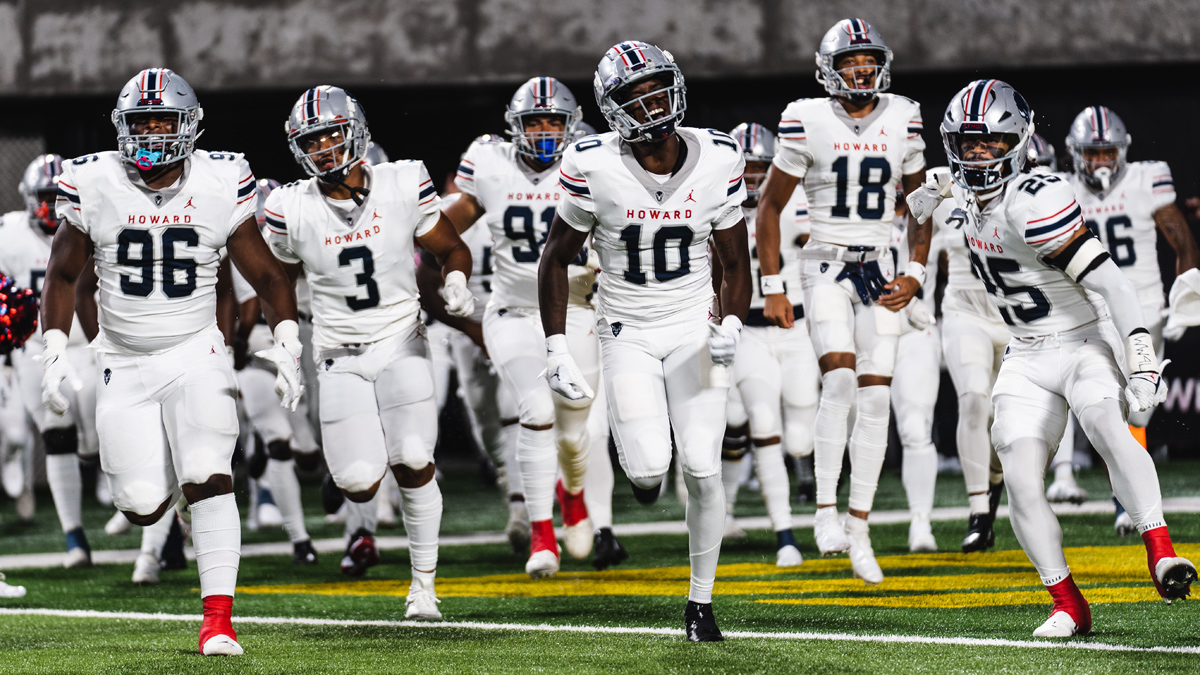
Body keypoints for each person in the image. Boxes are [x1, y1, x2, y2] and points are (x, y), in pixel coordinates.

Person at [908, 78, 1195, 637]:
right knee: (1018, 474)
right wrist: (924, 200)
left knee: (1109, 427)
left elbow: (1113, 283)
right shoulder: (957, 190)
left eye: (990, 142)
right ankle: (1067, 602)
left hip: (1083, 339)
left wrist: (1138, 353)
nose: (977, 154)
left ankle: (1160, 552)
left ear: (1018, 140)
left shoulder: (1034, 196)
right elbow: (923, 207)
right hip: (1025, 352)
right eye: (966, 143)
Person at [45, 68, 303, 655]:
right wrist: (56, 348)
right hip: (124, 358)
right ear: (122, 129)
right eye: (141, 122)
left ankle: (218, 621)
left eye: (163, 121)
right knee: (138, 505)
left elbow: (265, 274)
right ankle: (171, 496)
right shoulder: (94, 180)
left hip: (196, 349)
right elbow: (63, 275)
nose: (152, 134)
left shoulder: (220, 178)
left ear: (190, 127)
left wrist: (287, 339)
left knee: (211, 472)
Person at [538, 41, 751, 641]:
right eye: (634, 95)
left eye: (657, 88)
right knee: (652, 466)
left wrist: (730, 322)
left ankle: (701, 605)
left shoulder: (716, 157)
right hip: (626, 332)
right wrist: (555, 346)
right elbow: (556, 261)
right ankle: (642, 473)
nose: (651, 102)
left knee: (704, 465)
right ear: (612, 107)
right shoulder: (592, 165)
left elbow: (735, 261)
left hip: (691, 327)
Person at [264, 85, 474, 618]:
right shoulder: (291, 206)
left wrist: (455, 281)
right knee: (358, 484)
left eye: (333, 134)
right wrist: (286, 340)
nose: (325, 148)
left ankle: (423, 585)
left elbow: (451, 246)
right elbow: (275, 282)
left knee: (413, 456)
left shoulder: (402, 181)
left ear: (354, 131)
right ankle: (369, 453)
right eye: (313, 140)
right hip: (337, 352)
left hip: (401, 338)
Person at [754, 18, 930, 583]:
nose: (860, 70)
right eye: (849, 61)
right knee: (838, 380)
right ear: (829, 68)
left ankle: (859, 529)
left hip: (881, 263)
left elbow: (921, 208)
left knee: (876, 400)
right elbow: (768, 209)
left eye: (867, 59)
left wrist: (919, 273)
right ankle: (824, 512)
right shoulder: (805, 117)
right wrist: (773, 285)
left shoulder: (903, 114)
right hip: (825, 262)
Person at [443, 78, 607, 577]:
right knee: (534, 410)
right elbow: (442, 229)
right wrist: (450, 272)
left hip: (577, 310)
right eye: (533, 122)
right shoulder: (489, 163)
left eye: (552, 122)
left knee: (576, 431)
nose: (542, 131)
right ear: (514, 127)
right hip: (511, 311)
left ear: (570, 125)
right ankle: (541, 534)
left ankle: (573, 494)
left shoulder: (592, 160)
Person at [1053, 107, 1199, 532]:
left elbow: (1183, 243)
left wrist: (1184, 301)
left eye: (1108, 153)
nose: (1101, 162)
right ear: (1076, 155)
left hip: (1145, 312)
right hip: (1093, 315)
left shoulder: (1145, 179)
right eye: (1092, 154)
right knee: (1112, 409)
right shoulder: (1060, 189)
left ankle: (1125, 498)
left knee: (1138, 416)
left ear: (1123, 152)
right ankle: (1123, 504)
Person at [719, 122, 813, 567]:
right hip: (747, 330)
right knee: (758, 423)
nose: (754, 177)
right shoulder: (715, 204)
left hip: (796, 327)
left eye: (761, 167)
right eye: (746, 168)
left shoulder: (797, 202)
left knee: (800, 436)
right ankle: (785, 533)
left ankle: (816, 512)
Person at [0, 154, 99, 568]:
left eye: (54, 197)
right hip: (35, 348)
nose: (48, 207)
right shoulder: (9, 235)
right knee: (56, 436)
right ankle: (74, 535)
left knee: (101, 438)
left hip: (86, 344)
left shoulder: (89, 223)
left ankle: (156, 526)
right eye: (43, 198)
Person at [928, 168, 1008, 552]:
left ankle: (993, 488)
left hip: (1016, 316)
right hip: (964, 310)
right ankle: (978, 510)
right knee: (974, 400)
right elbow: (914, 230)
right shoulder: (944, 183)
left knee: (1005, 420)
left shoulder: (1032, 191)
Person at [888, 187, 943, 552]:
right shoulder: (844, 216)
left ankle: (921, 523)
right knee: (853, 430)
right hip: (862, 333)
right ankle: (841, 518)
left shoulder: (936, 213)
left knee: (915, 427)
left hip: (913, 333)